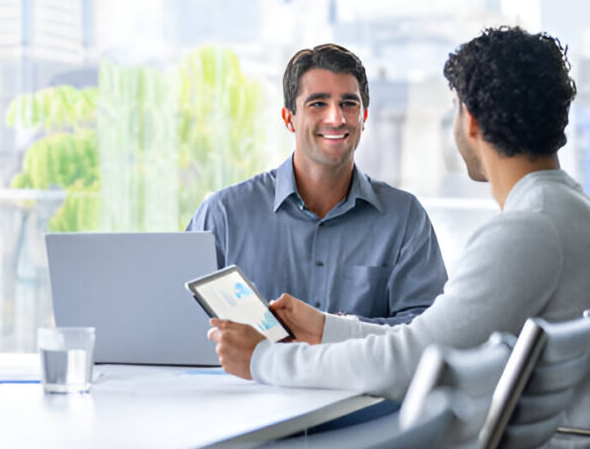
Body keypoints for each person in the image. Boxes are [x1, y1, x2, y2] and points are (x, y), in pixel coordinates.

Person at [208, 26, 590, 449]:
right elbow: (434, 339)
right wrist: (326, 330)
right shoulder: (572, 214)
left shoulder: (529, 232)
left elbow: (417, 360)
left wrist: (264, 360)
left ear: (471, 121)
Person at [188, 43, 447, 325]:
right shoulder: (224, 215)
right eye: (318, 104)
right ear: (289, 119)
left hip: (356, 371)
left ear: (364, 118)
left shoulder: (404, 217)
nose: (336, 118)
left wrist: (330, 330)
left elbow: (428, 329)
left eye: (349, 104)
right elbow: (184, 322)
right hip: (248, 372)